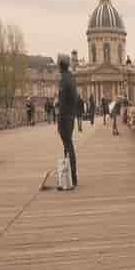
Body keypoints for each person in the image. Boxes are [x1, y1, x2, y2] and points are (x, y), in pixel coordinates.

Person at [57, 54, 78, 188]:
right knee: (69, 145)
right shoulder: (71, 78)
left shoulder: (64, 80)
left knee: (68, 145)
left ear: (60, 65)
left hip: (65, 117)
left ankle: (71, 177)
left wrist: (59, 119)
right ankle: (71, 176)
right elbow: (74, 98)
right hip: (71, 115)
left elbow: (62, 102)